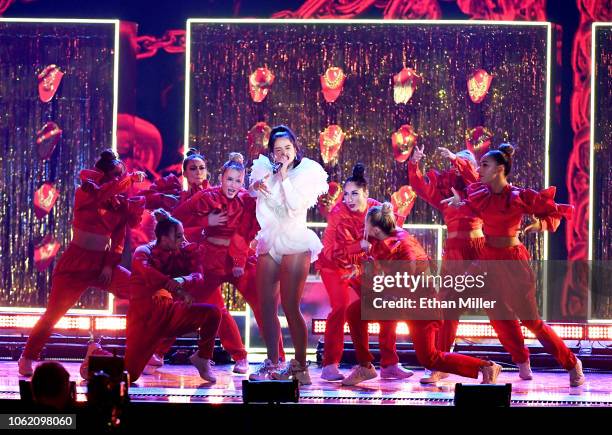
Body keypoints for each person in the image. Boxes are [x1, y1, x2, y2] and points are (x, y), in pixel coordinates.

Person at [443, 143, 585, 387]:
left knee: (531, 320)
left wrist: (538, 225)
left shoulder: (519, 196)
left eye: (485, 165)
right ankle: (522, 361)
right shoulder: (481, 194)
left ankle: (572, 363)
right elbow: (469, 202)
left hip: (513, 261)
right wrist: (459, 203)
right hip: (488, 259)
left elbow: (553, 213)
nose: (480, 170)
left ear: (499, 169)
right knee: (498, 315)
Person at [342, 203, 503, 386]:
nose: (363, 229)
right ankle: (366, 366)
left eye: (366, 225)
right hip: (399, 301)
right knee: (355, 311)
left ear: (376, 229)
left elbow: (404, 280)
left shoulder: (404, 246)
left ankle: (486, 367)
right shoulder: (381, 240)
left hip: (421, 305)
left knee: (430, 358)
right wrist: (360, 270)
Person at [409, 145, 532, 384]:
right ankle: (440, 362)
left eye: (466, 164)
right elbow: (420, 187)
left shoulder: (481, 193)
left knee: (498, 311)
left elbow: (473, 177)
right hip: (454, 256)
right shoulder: (446, 195)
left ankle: (522, 359)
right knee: (445, 311)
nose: (458, 168)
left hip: (478, 253)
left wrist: (457, 158)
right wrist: (415, 164)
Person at [18, 150, 145, 377]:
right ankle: (27, 356)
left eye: (121, 174)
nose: (119, 178)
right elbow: (103, 193)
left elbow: (118, 242)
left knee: (139, 290)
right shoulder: (86, 192)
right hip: (76, 262)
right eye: (115, 174)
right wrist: (128, 179)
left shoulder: (118, 205)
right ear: (103, 174)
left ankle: (140, 351)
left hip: (101, 265)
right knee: (54, 314)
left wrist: (108, 265)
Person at [168, 152, 284, 373]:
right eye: (229, 179)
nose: (233, 185)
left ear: (243, 183)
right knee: (204, 306)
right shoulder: (206, 196)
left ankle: (277, 358)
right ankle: (237, 356)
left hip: (240, 258)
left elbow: (248, 230)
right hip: (211, 257)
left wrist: (240, 260)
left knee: (264, 305)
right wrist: (205, 221)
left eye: (238, 181)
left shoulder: (246, 200)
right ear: (220, 178)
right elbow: (178, 217)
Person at [248, 125, 328, 385]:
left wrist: (283, 179)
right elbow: (251, 192)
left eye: (287, 148)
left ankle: (301, 367)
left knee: (290, 305)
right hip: (270, 239)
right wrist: (259, 183)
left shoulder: (306, 172)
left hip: (295, 239)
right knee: (266, 305)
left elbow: (294, 207)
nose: (283, 154)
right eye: (277, 150)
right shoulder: (265, 170)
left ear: (295, 148)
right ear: (271, 152)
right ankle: (273, 360)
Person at [318, 163, 413, 381]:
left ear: (366, 193)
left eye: (355, 194)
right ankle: (330, 364)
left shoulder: (376, 210)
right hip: (334, 266)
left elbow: (393, 235)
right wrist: (355, 247)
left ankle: (389, 364)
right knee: (341, 307)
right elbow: (328, 249)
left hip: (360, 266)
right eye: (346, 194)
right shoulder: (337, 214)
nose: (349, 199)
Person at [124, 209, 221, 382]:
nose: (183, 240)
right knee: (128, 375)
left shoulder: (180, 253)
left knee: (212, 313)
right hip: (145, 320)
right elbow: (149, 274)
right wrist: (178, 289)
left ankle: (203, 358)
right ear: (164, 237)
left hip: (169, 313)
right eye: (178, 236)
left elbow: (198, 276)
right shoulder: (143, 251)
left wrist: (183, 280)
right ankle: (96, 353)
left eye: (183, 235)